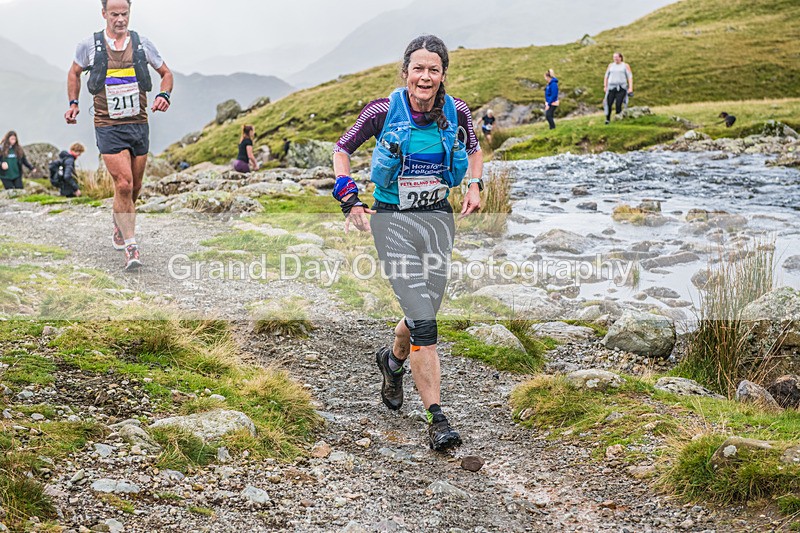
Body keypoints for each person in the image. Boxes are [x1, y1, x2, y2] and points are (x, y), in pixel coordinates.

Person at [332, 35, 483, 452]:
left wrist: (474, 183)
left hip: (436, 219)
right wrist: (349, 197)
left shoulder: (458, 112)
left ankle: (392, 360)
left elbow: (474, 150)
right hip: (392, 221)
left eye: (433, 69)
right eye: (418, 68)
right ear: (406, 72)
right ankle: (438, 419)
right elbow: (342, 149)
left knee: (423, 314)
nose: (425, 76)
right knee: (425, 321)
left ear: (442, 75)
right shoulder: (383, 110)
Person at [65, 0, 173, 270]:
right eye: (114, 14)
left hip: (139, 124)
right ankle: (131, 246)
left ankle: (119, 223)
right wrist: (73, 103)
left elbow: (166, 73)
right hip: (107, 125)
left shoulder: (143, 43)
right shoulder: (89, 45)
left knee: (135, 188)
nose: (120, 19)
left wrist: (164, 95)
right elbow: (74, 73)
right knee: (123, 184)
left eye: (124, 13)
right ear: (104, 14)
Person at [603, 52, 633, 124]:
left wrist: (630, 88)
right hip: (611, 87)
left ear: (620, 58)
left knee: (618, 104)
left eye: (617, 57)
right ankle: (607, 119)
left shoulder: (625, 66)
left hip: (621, 88)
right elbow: (606, 76)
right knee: (608, 103)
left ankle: (618, 119)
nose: (615, 59)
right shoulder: (610, 66)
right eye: (614, 57)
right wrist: (605, 86)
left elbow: (630, 77)